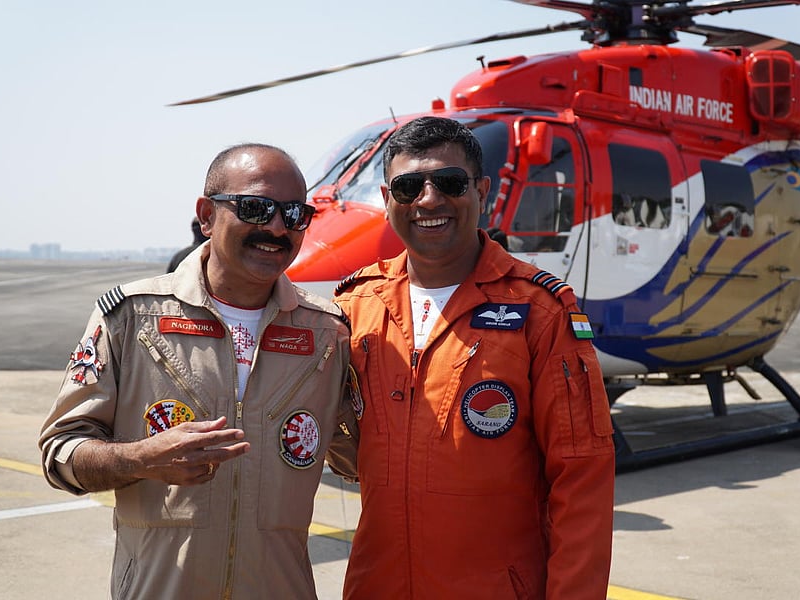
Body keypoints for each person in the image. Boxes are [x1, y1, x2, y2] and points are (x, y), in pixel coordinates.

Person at [39, 143, 358, 599]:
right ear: (206, 215)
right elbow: (60, 453)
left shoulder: (329, 333)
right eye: (256, 207)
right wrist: (142, 459)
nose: (276, 227)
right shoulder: (131, 318)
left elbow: (365, 458)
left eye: (294, 214)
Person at [334, 116, 615, 599]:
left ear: (482, 191)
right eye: (408, 186)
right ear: (386, 202)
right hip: (377, 586)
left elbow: (582, 477)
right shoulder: (354, 307)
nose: (428, 200)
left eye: (449, 182)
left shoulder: (539, 311)